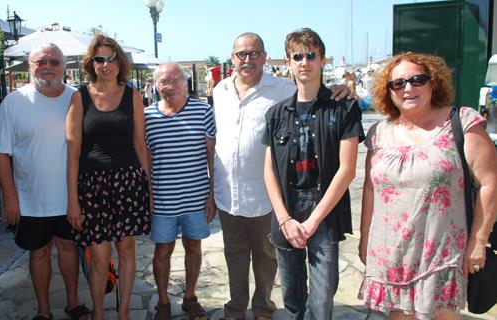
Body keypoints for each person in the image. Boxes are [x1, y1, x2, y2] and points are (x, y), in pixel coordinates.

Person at [212, 31, 352, 320]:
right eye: (241, 54)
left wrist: (345, 88)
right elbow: (225, 144)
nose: (247, 59)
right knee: (248, 262)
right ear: (232, 58)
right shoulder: (221, 92)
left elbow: (346, 167)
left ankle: (263, 308)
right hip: (243, 195)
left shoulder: (285, 91)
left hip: (291, 200)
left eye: (254, 53)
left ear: (265, 57)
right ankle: (236, 308)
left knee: (288, 270)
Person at [357, 52, 497, 319]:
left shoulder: (462, 122)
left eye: (417, 79)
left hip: (441, 256)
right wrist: (365, 239)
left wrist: (479, 241)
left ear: (434, 83)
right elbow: (370, 189)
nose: (408, 88)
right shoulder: (379, 134)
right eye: (398, 83)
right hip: (390, 255)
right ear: (389, 91)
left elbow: (490, 183)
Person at [262, 28, 364, 320]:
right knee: (292, 298)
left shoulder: (343, 108)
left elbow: (347, 170)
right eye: (297, 56)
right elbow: (268, 171)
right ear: (288, 62)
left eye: (311, 55)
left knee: (321, 303)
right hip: (288, 210)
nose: (304, 61)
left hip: (324, 210)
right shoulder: (276, 113)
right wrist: (285, 219)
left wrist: (312, 222)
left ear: (322, 60)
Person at [0, 43, 91, 320]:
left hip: (69, 197)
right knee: (38, 253)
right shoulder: (14, 102)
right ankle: (43, 310)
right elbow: (2, 154)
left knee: (67, 248)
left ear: (65, 66)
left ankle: (73, 302)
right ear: (30, 65)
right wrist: (10, 197)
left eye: (54, 61)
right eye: (41, 61)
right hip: (29, 198)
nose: (48, 66)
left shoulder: (77, 98)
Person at [66, 34, 151, 320]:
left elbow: (141, 144)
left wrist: (149, 189)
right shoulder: (79, 96)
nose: (106, 64)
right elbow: (73, 153)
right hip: (92, 187)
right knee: (99, 258)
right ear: (92, 63)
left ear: (120, 62)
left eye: (111, 58)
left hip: (128, 183)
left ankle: (124, 311)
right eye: (99, 59)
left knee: (127, 250)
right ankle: (100, 314)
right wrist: (72, 201)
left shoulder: (133, 95)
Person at [145, 62, 216, 320]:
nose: (170, 85)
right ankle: (163, 302)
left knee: (193, 247)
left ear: (185, 83)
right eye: (164, 80)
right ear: (156, 85)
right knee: (162, 250)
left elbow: (211, 155)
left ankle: (190, 296)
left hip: (195, 197)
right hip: (162, 199)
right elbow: (145, 159)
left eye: (176, 79)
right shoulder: (147, 116)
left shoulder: (203, 111)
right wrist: (148, 194)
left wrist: (211, 193)